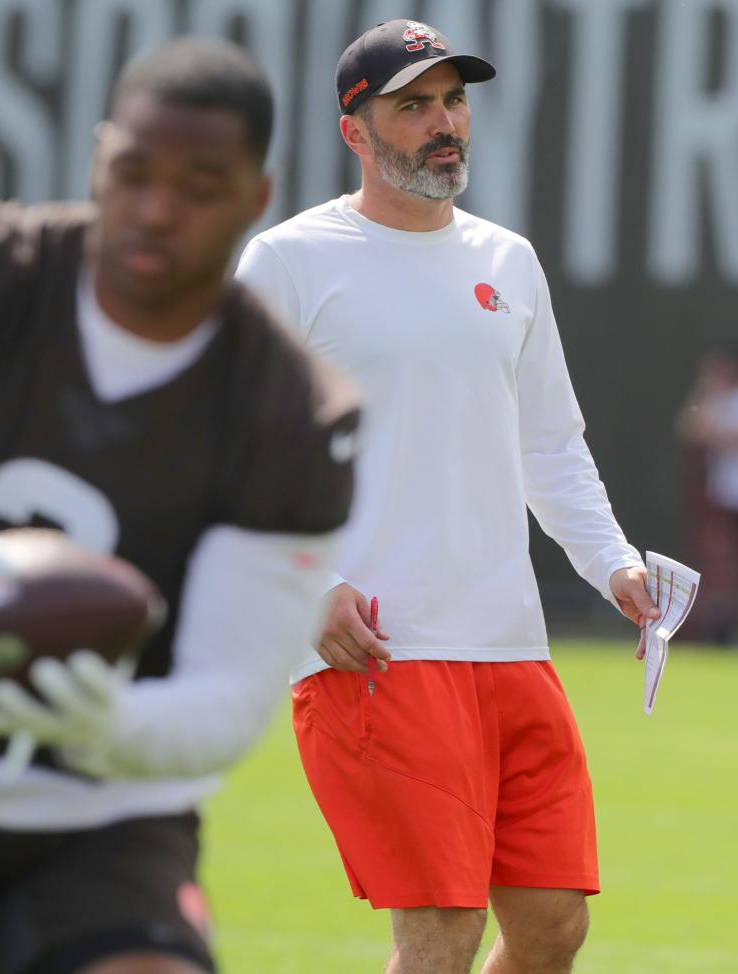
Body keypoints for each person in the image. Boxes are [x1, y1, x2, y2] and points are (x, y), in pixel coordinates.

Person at [0, 37, 359, 974]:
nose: (156, 210)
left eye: (201, 185)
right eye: (131, 172)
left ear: (256, 197)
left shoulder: (290, 408)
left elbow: (230, 693)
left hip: (109, 806)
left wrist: (110, 727)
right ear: (96, 158)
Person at [237, 18, 659, 974]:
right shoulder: (290, 261)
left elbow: (548, 443)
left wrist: (614, 565)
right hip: (378, 646)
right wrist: (310, 584)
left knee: (553, 926)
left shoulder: (508, 261)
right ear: (355, 131)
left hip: (508, 645)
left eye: (454, 101)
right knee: (441, 933)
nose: (444, 124)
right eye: (413, 105)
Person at [676, 347, 738, 642]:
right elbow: (690, 430)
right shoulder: (713, 402)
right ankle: (719, 629)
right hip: (723, 497)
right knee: (720, 566)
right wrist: (704, 392)